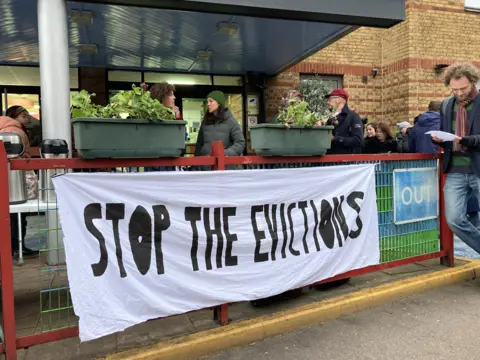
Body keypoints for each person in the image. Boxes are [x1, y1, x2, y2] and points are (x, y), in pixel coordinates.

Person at [431, 62, 480, 254]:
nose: (459, 93)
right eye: (454, 89)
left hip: (478, 168)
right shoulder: (446, 105)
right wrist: (440, 139)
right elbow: (447, 136)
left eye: (463, 88)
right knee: (453, 219)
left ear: (474, 81)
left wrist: (465, 140)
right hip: (455, 171)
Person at [0, 115, 38, 258]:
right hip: (16, 177)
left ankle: (8, 248)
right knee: (18, 215)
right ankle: (18, 247)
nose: (27, 118)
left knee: (7, 214)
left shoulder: (2, 129)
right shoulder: (16, 131)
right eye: (23, 115)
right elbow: (23, 155)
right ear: (14, 116)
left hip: (3, 178)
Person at [195, 90, 245, 158]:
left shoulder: (231, 121)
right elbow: (199, 145)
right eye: (207, 102)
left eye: (211, 101)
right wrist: (196, 164)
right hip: (206, 165)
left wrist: (226, 153)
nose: (208, 104)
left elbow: (240, 143)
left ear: (219, 103)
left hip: (225, 166)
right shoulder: (205, 122)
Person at [323, 89, 363, 154]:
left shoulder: (354, 117)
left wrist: (335, 138)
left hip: (345, 161)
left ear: (339, 100)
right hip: (328, 159)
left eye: (330, 99)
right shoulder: (329, 117)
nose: (328, 102)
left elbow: (358, 140)